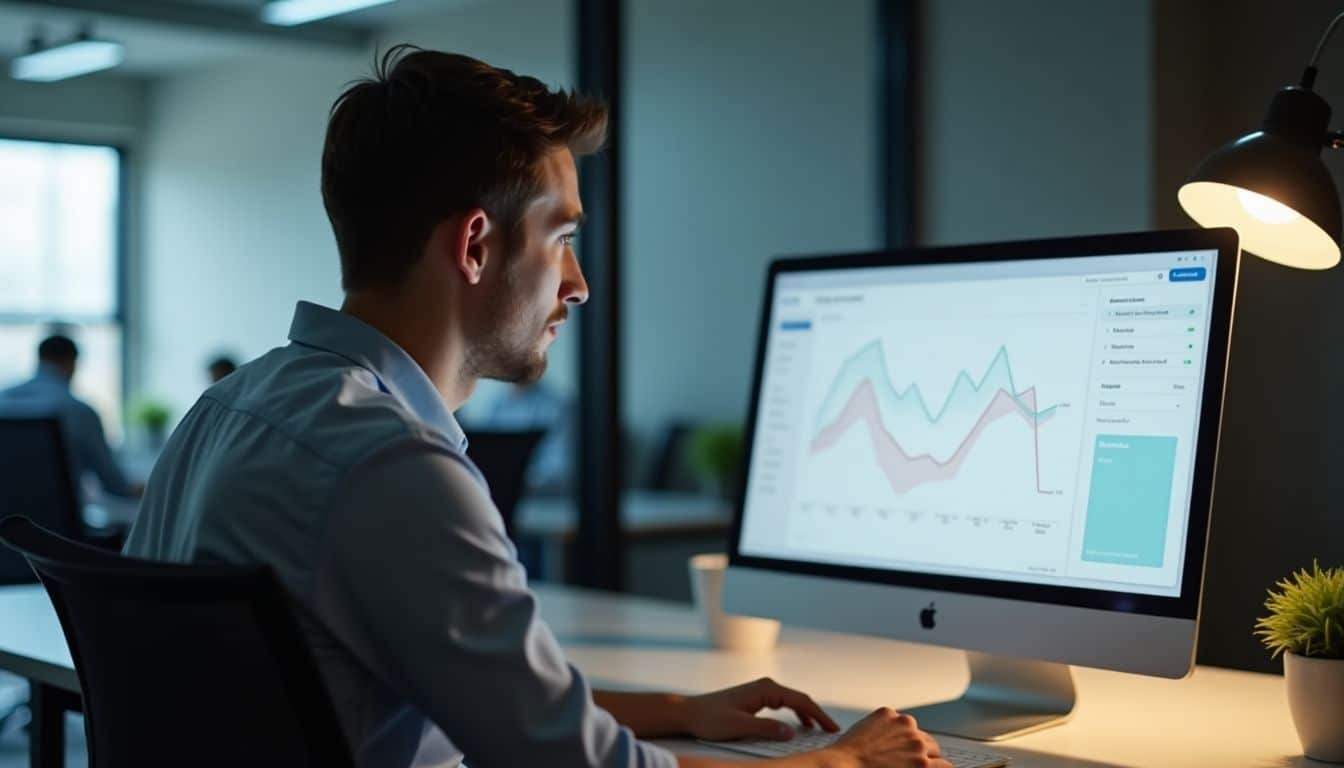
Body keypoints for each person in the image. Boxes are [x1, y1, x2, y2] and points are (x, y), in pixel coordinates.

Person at [122, 47, 950, 768]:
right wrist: (844, 762)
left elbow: (495, 708)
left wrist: (677, 709)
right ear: (476, 245)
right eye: (561, 238)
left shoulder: (228, 410)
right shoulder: (392, 467)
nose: (578, 284)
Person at [0, 334, 139, 499]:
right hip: (58, 522)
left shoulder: (3, 399)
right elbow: (114, 484)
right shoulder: (80, 411)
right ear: (72, 363)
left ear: (40, 359)